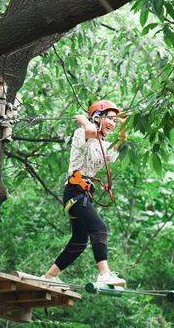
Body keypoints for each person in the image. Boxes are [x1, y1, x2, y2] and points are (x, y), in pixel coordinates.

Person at [42, 100, 127, 286]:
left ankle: (49, 276)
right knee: (99, 228)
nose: (112, 123)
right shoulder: (82, 133)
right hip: (74, 190)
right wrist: (83, 120)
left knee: (80, 240)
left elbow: (120, 144)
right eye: (109, 119)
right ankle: (104, 274)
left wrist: (122, 125)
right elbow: (89, 131)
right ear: (98, 117)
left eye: (114, 120)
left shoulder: (103, 144)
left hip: (83, 193)